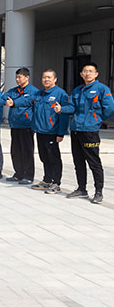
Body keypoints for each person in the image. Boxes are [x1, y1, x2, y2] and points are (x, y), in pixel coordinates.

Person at [60, 62, 114, 204]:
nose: (87, 73)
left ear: (96, 74)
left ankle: (98, 192)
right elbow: (72, 107)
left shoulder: (102, 89)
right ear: (81, 74)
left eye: (90, 71)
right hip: (76, 130)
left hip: (90, 131)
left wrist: (97, 120)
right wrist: (61, 109)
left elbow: (110, 108)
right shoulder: (77, 90)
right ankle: (81, 189)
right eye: (85, 71)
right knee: (78, 161)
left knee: (94, 162)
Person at [30, 69, 70, 195]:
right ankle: (47, 180)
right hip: (40, 131)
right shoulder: (39, 94)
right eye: (44, 77)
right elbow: (29, 104)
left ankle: (56, 183)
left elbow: (64, 115)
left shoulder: (60, 94)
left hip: (52, 132)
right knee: (44, 157)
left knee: (54, 158)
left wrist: (61, 133)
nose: (46, 80)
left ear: (55, 79)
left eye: (49, 77)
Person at [4, 67, 40, 184]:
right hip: (15, 125)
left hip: (27, 126)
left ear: (27, 77)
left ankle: (28, 176)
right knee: (15, 151)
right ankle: (18, 173)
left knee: (27, 151)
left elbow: (28, 101)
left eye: (20, 77)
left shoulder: (33, 91)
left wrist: (14, 102)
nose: (17, 79)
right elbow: (4, 97)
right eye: (16, 77)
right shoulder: (13, 91)